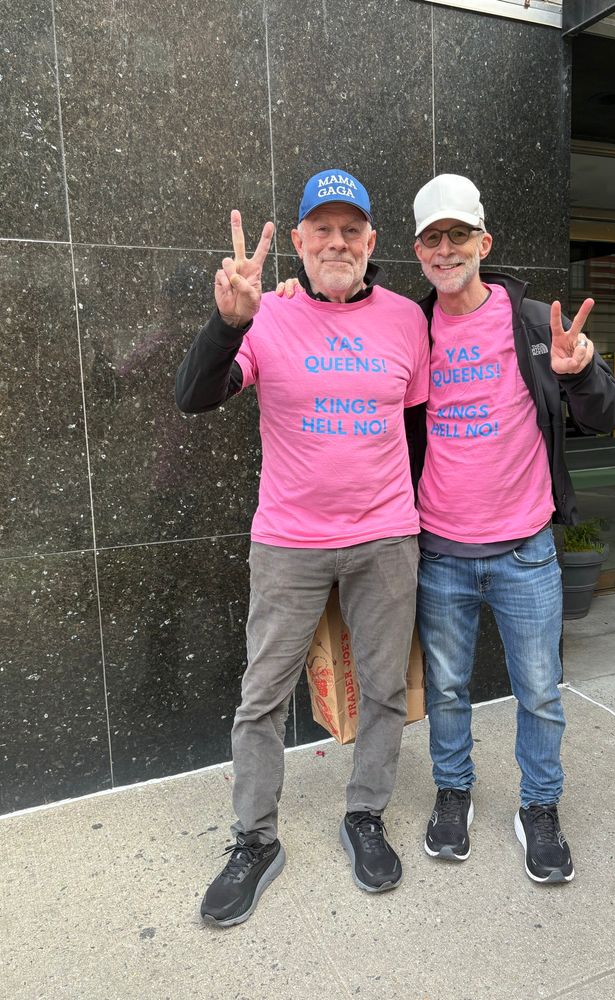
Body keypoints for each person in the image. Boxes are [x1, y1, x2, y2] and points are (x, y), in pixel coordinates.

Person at [175, 169, 429, 926]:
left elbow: (414, 430)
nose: (337, 242)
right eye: (323, 229)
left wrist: (404, 514)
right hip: (288, 542)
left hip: (386, 538)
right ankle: (254, 841)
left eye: (352, 229)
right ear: (298, 241)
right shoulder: (268, 315)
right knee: (262, 698)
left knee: (383, 690)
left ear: (372, 240)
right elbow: (194, 395)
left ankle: (365, 817)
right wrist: (227, 322)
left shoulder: (405, 321)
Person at [409, 174, 615, 883]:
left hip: (526, 551)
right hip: (440, 549)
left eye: (458, 236)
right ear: (418, 252)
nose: (446, 251)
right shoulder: (413, 327)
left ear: (484, 242)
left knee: (538, 691)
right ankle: (453, 793)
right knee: (445, 690)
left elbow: (607, 416)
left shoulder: (533, 322)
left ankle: (539, 807)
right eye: (433, 239)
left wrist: (583, 372)